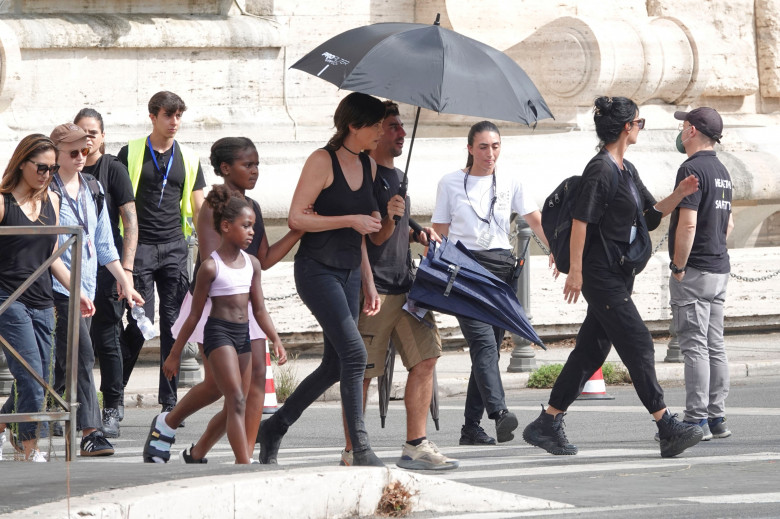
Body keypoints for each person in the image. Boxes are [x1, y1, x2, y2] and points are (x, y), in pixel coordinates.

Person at [521, 96, 703, 459]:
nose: (640, 128)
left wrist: (679, 194)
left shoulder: (626, 170)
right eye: (640, 122)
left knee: (592, 349)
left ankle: (547, 423)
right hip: (599, 274)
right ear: (626, 127)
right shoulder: (601, 169)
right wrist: (575, 271)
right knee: (638, 342)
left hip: (618, 274)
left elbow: (649, 216)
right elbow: (580, 222)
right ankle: (666, 425)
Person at [143, 137, 295, 463]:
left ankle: (220, 454)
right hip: (214, 303)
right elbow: (216, 262)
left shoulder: (251, 209)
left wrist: (299, 230)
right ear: (226, 168)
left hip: (247, 303)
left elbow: (263, 258)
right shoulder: (214, 207)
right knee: (219, 388)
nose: (255, 171)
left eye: (257, 164)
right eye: (247, 164)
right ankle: (167, 424)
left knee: (247, 391)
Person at [258, 92, 384, 467]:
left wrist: (369, 281)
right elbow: (297, 217)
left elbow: (362, 236)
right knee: (355, 354)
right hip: (317, 269)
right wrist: (349, 219)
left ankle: (275, 426)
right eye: (375, 124)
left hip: (348, 272)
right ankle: (359, 447)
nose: (381, 131)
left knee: (334, 365)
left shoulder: (370, 166)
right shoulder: (321, 161)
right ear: (353, 126)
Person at [339, 101, 458, 470]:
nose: (401, 133)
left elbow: (398, 225)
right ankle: (353, 449)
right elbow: (374, 238)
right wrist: (390, 217)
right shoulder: (364, 175)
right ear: (374, 131)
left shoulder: (398, 176)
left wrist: (417, 228)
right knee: (363, 373)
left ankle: (415, 444)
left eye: (401, 126)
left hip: (409, 286)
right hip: (375, 288)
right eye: (392, 127)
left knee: (426, 358)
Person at [431, 120, 549, 446]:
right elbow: (439, 230)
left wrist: (556, 250)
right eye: (483, 146)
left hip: (500, 271)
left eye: (495, 146)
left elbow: (534, 218)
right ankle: (499, 414)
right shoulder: (450, 183)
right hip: (464, 271)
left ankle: (470, 428)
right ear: (469, 148)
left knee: (490, 352)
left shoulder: (510, 181)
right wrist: (430, 272)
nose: (490, 153)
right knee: (484, 345)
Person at [157, 185, 281, 464]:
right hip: (218, 334)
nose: (252, 232)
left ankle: (201, 453)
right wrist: (175, 354)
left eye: (253, 226)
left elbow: (259, 310)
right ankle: (243, 463)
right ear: (226, 226)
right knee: (236, 398)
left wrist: (275, 338)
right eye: (246, 226)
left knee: (241, 400)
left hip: (244, 335)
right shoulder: (210, 267)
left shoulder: (252, 265)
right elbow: (194, 315)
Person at [48, 123, 144, 457]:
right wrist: (73, 289)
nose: (80, 158)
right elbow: (47, 251)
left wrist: (125, 282)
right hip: (58, 291)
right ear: (55, 153)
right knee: (84, 356)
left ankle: (8, 421)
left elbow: (104, 244)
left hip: (86, 288)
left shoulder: (92, 187)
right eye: (72, 152)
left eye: (84, 152)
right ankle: (91, 432)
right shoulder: (49, 192)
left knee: (61, 367)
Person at [0, 134, 92, 461]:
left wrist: (75, 289)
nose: (47, 175)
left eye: (52, 169)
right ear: (22, 162)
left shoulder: (52, 201)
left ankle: (3, 426)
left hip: (43, 301)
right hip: (9, 301)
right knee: (33, 378)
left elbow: (52, 253)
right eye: (41, 167)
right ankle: (28, 447)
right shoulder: (3, 202)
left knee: (43, 377)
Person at [117, 91, 206, 415]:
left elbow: (199, 209)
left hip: (173, 248)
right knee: (141, 323)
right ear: (153, 116)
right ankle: (114, 395)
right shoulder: (132, 151)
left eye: (179, 115)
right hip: (138, 247)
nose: (175, 121)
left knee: (173, 326)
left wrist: (209, 251)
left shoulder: (189, 157)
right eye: (169, 115)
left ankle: (169, 402)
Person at [669, 107, 734, 440]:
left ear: (692, 130)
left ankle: (696, 421)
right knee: (715, 344)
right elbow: (729, 224)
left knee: (694, 347)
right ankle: (717, 416)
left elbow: (688, 222)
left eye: (683, 126)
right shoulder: (723, 171)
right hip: (719, 267)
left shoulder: (690, 169)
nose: (680, 132)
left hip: (695, 269)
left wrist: (679, 266)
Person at [74, 108, 138, 437]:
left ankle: (112, 406)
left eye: (93, 133)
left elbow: (129, 222)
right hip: (72, 269)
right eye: (81, 132)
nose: (87, 139)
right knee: (75, 344)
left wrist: (124, 272)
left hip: (106, 265)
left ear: (103, 136)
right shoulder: (66, 168)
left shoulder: (113, 169)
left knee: (107, 337)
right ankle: (77, 410)